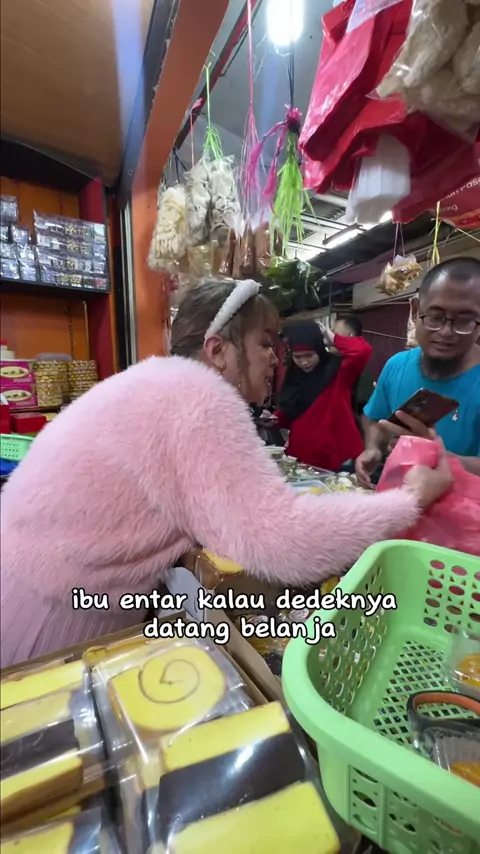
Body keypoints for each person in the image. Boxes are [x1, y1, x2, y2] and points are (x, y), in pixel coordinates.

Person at [1, 279, 451, 668]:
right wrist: (407, 502)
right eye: (264, 343)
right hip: (49, 619)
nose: (275, 359)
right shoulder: (196, 396)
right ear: (217, 349)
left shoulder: (159, 381)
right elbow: (279, 540)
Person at [356, 257, 480, 487]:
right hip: (399, 502)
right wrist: (373, 448)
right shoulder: (396, 365)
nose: (446, 332)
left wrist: (431, 453)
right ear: (414, 310)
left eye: (464, 321)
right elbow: (374, 420)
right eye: (435, 317)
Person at [275, 320, 372, 470]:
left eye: (309, 355)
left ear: (319, 350)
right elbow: (291, 411)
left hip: (335, 460)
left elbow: (363, 351)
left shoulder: (339, 372)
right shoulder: (294, 377)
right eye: (297, 357)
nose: (304, 362)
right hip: (300, 459)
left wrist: (333, 339)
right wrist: (273, 418)